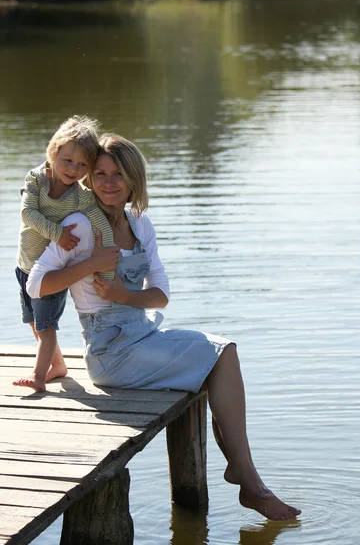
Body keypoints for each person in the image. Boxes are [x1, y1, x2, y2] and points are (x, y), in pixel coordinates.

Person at [26, 133, 302, 521]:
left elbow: (161, 294)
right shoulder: (80, 226)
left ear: (134, 181)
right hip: (111, 353)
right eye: (100, 173)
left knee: (222, 352)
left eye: (117, 174)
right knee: (221, 355)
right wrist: (88, 265)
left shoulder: (139, 223)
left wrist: (124, 295)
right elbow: (35, 284)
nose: (107, 183)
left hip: (143, 333)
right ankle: (249, 481)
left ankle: (246, 475)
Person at [13, 115, 117, 392]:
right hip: (24, 266)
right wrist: (58, 233)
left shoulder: (81, 196)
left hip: (51, 274)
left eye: (83, 164)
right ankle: (58, 365)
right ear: (52, 152)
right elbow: (27, 213)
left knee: (46, 328)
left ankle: (38, 377)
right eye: (68, 160)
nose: (74, 169)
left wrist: (105, 269)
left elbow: (101, 227)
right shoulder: (36, 179)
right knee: (34, 322)